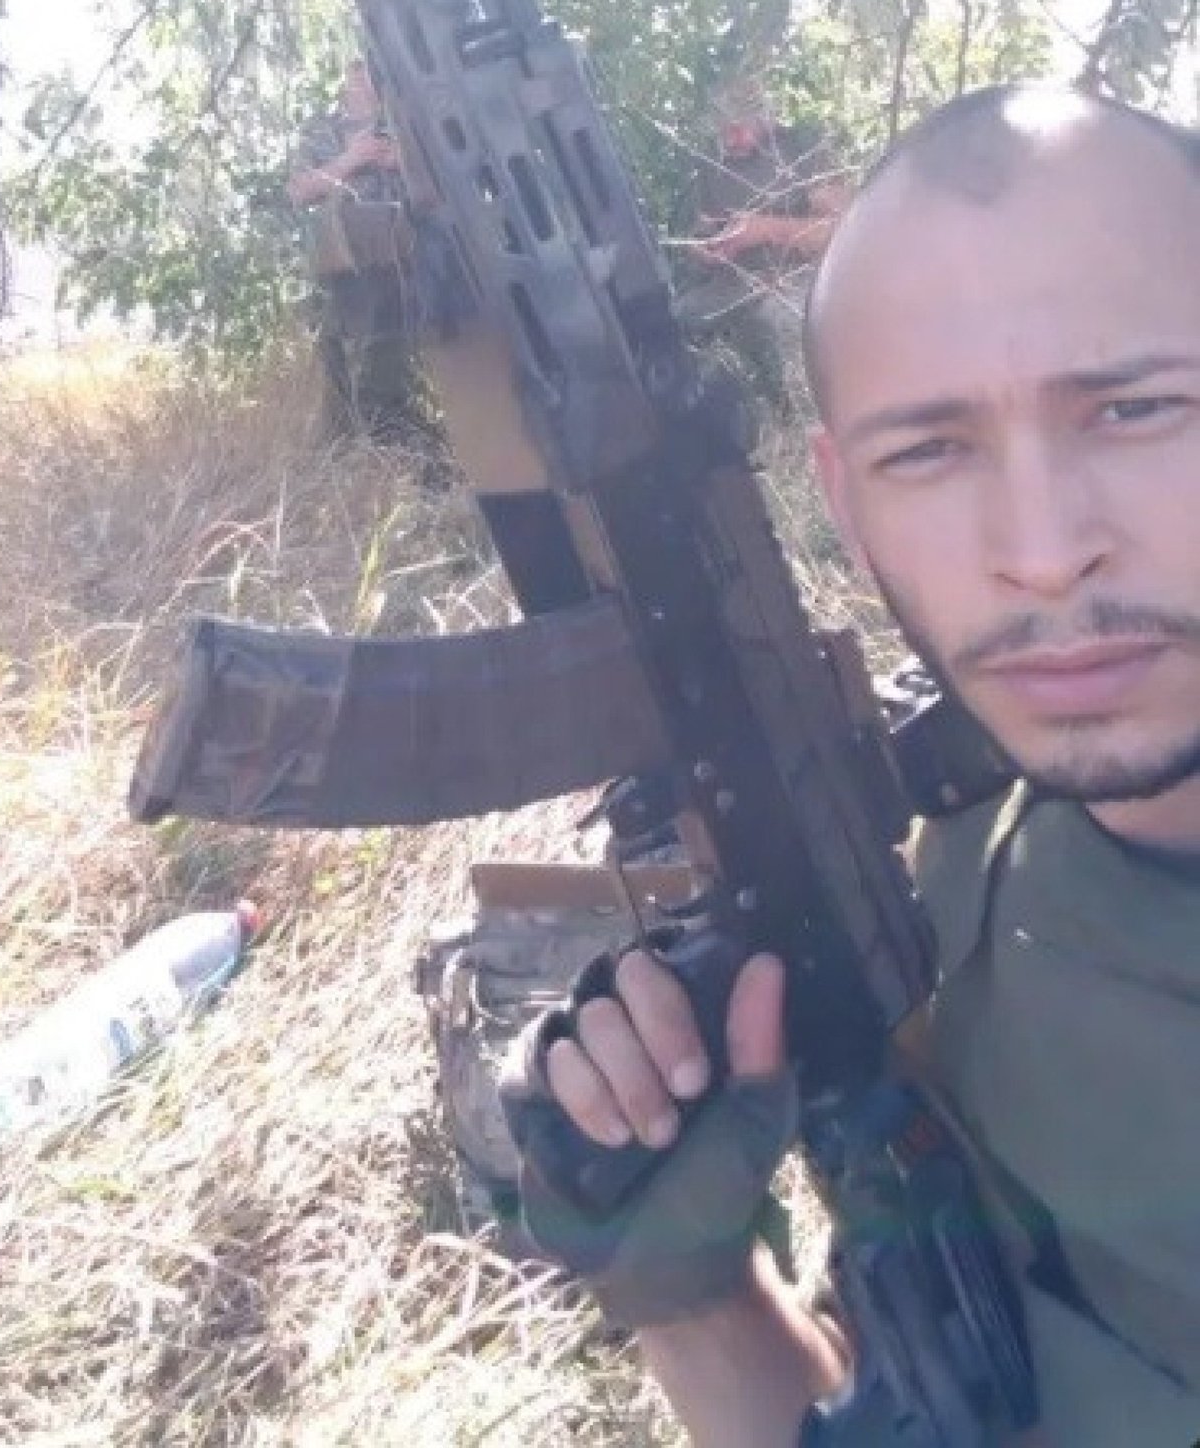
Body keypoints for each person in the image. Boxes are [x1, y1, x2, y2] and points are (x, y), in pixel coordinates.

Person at [505, 84, 1200, 1447]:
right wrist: (690, 1295)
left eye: (1132, 409)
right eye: (928, 450)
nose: (1041, 550)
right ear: (843, 497)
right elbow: (917, 1397)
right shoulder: (952, 864)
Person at [678, 88, 851, 415]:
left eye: (737, 128)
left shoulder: (802, 148)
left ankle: (808, 416)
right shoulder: (713, 165)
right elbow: (703, 229)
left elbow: (839, 230)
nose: (730, 140)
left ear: (766, 120)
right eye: (723, 131)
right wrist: (704, 249)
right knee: (678, 319)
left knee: (778, 319)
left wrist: (764, 229)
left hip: (804, 280)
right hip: (736, 284)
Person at [286, 57, 418, 443]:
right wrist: (353, 158)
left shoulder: (405, 122)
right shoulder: (322, 130)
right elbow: (299, 190)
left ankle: (390, 438)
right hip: (345, 262)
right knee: (339, 362)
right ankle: (348, 448)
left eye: (370, 77)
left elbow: (444, 175)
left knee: (390, 357)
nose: (362, 85)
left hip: (406, 257)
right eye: (356, 77)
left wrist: (401, 161)